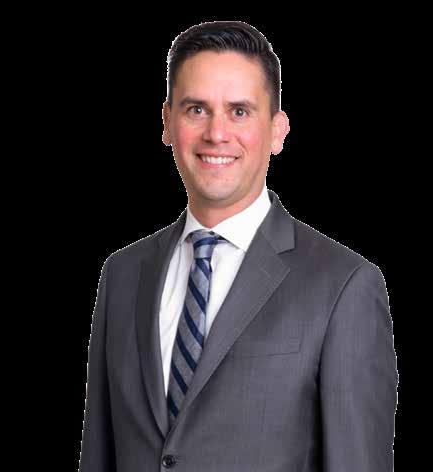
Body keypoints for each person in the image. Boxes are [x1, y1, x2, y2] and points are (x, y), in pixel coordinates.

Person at [79, 21, 398, 472]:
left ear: (277, 130)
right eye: (196, 109)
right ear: (167, 122)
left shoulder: (344, 286)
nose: (216, 133)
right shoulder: (122, 274)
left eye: (240, 111)